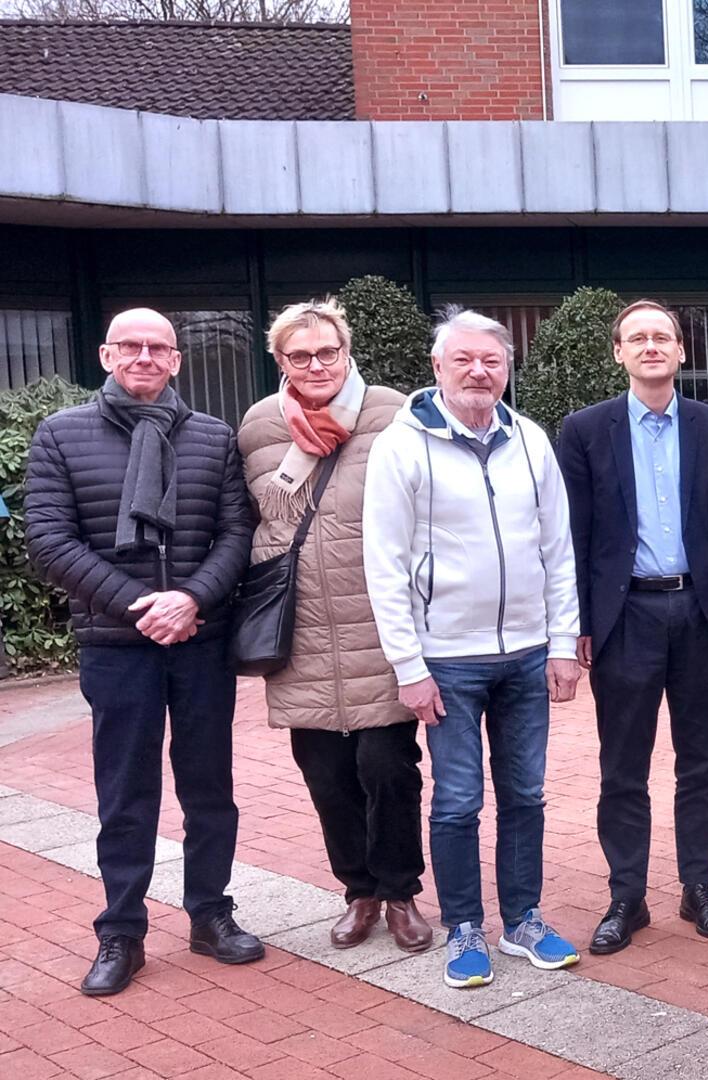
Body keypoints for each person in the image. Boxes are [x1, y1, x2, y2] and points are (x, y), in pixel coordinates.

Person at [25, 308, 260, 996]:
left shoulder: (213, 438)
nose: (146, 357)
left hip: (201, 641)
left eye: (160, 347)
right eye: (132, 345)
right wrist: (140, 605)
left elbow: (235, 534)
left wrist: (190, 599)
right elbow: (49, 540)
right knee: (125, 794)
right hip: (115, 646)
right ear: (106, 354)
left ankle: (210, 913)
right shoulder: (61, 435)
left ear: (177, 361)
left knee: (210, 788)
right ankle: (121, 931)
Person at [362, 307, 583, 989]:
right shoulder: (402, 446)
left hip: (525, 655)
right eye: (464, 360)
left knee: (525, 794)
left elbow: (557, 549)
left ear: (506, 368)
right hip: (446, 660)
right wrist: (408, 665)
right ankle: (465, 927)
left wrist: (563, 642)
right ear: (437, 368)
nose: (479, 372)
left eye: (491, 361)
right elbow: (384, 562)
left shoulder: (531, 440)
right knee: (457, 799)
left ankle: (523, 920)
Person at [557, 299, 708, 955]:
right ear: (619, 352)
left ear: (680, 352)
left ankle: (698, 887)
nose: (651, 346)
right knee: (623, 767)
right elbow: (574, 535)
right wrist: (580, 624)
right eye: (637, 338)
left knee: (704, 763)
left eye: (662, 337)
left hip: (702, 614)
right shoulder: (584, 430)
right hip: (625, 619)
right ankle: (627, 895)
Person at [236, 300, 430, 954]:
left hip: (382, 625)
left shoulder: (393, 413)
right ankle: (360, 891)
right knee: (326, 774)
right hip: (301, 632)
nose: (315, 365)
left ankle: (400, 890)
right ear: (280, 360)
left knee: (388, 767)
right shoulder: (259, 426)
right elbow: (247, 520)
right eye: (300, 355)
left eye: (327, 352)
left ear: (346, 352)